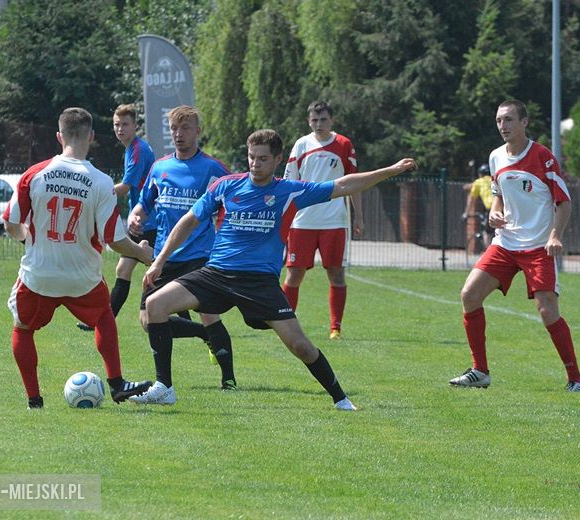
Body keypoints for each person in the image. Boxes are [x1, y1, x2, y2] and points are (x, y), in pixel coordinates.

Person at [139, 129, 416, 410]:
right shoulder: (225, 186)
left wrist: (391, 170)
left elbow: (344, 185)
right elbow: (189, 220)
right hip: (216, 274)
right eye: (251, 157)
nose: (255, 164)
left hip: (259, 282)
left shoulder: (289, 190)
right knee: (154, 305)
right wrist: (160, 261)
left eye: (262, 159)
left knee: (300, 346)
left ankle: (340, 398)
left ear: (277, 160)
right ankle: (165, 388)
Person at [3, 107, 154, 409]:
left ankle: (34, 400)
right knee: (103, 317)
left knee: (23, 328)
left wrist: (26, 239)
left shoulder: (34, 174)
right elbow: (114, 240)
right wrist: (142, 253)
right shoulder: (100, 182)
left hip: (39, 274)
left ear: (59, 136)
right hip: (81, 276)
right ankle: (117, 383)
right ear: (92, 137)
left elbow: (10, 223)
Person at [449, 100, 580, 392]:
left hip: (538, 246)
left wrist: (554, 235)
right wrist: (494, 212)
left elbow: (563, 201)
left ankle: (575, 378)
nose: (503, 126)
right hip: (506, 243)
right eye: (499, 120)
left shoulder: (543, 157)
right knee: (469, 295)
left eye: (509, 119)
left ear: (525, 122)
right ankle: (480, 371)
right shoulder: (496, 157)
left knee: (547, 310)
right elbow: (498, 193)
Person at [127, 106, 237, 403]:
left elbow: (238, 199)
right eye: (175, 129)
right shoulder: (160, 168)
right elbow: (144, 204)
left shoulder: (213, 169)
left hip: (200, 255)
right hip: (165, 256)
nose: (179, 134)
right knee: (148, 318)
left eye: (186, 128)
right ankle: (203, 336)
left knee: (208, 313)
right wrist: (135, 216)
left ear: (198, 131)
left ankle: (229, 379)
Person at [281, 101, 362, 340]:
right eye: (315, 120)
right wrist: (284, 218)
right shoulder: (301, 144)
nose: (319, 124)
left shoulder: (344, 145)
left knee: (336, 274)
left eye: (323, 119)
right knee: (293, 276)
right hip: (302, 222)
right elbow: (289, 184)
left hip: (334, 222)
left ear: (331, 120)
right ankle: (284, 323)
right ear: (308, 121)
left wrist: (359, 215)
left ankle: (335, 328)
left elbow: (355, 182)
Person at [77, 104, 156, 331]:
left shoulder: (139, 149)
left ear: (135, 126)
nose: (120, 129)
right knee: (126, 269)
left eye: (125, 124)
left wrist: (95, 193)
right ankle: (104, 322)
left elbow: (126, 186)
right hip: (140, 218)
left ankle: (187, 313)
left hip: (148, 219)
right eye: (116, 124)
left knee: (161, 269)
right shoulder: (131, 148)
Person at [463, 163, 494, 249]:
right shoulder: (494, 179)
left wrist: (466, 212)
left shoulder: (479, 182)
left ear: (480, 174)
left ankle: (489, 252)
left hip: (491, 207)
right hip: (503, 206)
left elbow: (471, 198)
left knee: (487, 232)